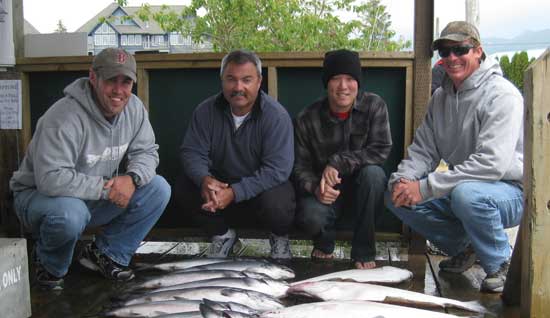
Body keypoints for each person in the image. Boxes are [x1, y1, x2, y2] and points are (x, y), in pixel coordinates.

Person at [10, 47, 171, 288]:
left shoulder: (135, 109)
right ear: (93, 78)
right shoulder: (63, 117)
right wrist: (108, 190)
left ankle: (106, 253)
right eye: (111, 81)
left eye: (126, 82)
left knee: (158, 188)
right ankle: (48, 264)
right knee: (70, 213)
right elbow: (51, 179)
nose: (119, 90)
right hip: (40, 198)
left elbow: (147, 152)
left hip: (92, 197)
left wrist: (132, 178)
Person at [386, 21, 524, 293]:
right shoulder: (440, 97)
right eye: (444, 51)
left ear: (478, 52)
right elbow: (424, 149)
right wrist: (404, 179)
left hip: (511, 192)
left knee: (467, 195)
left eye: (460, 49)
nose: (451, 57)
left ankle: (500, 264)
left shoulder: (502, 95)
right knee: (393, 194)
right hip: (467, 188)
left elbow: (491, 165)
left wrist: (424, 187)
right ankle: (468, 247)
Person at [176, 49, 295, 259]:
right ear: (222, 81)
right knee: (185, 185)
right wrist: (205, 179)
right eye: (231, 79)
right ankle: (222, 235)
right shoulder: (205, 111)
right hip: (218, 193)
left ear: (259, 81)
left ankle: (279, 238)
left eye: (246, 80)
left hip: (259, 193)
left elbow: (278, 169)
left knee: (279, 199)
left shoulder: (276, 116)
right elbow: (191, 152)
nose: (238, 87)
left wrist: (235, 192)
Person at [293, 49, 392, 269]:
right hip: (326, 195)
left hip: (363, 193)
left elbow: (381, 150)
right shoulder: (306, 118)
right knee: (310, 216)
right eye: (336, 79)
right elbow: (299, 167)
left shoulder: (375, 106)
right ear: (326, 83)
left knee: (374, 175)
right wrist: (316, 188)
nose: (343, 86)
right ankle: (324, 244)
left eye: (350, 79)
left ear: (358, 82)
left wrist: (338, 161)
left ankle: (364, 252)